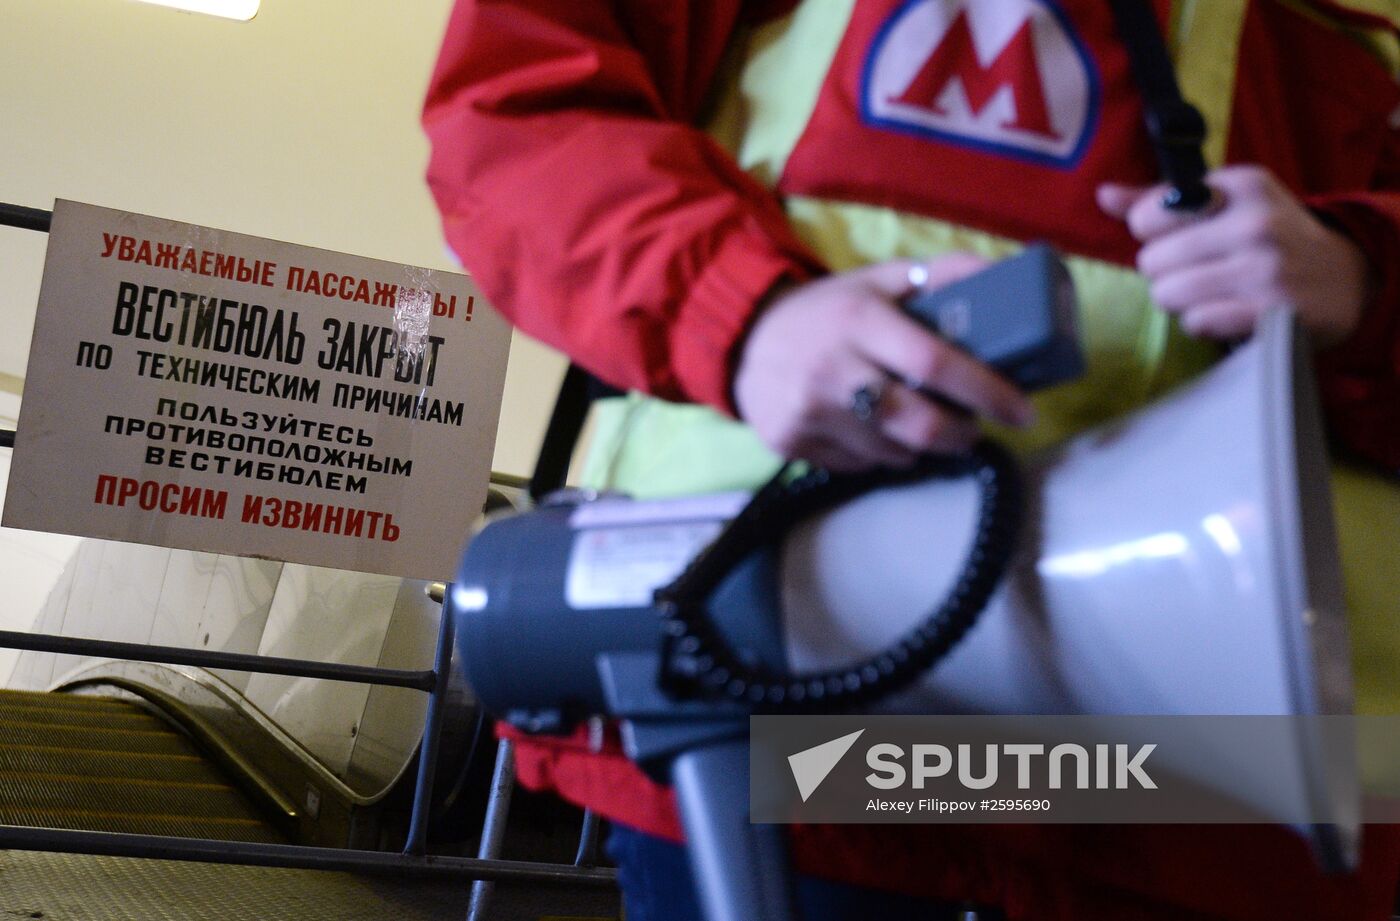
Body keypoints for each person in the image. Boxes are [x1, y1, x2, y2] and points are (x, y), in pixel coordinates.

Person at [422, 1, 1400, 918]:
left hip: (1224, 798)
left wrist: (1365, 280)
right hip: (801, 742)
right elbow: (521, 99)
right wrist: (745, 317)